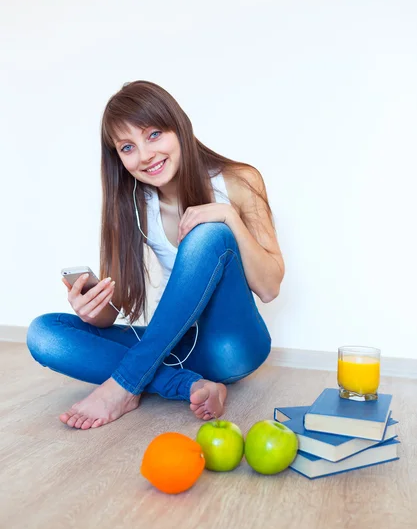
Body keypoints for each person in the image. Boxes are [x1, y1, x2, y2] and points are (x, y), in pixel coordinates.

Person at [27, 80, 285, 430]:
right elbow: (115, 310)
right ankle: (185, 385)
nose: (145, 156)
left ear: (178, 128)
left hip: (233, 346)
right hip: (179, 348)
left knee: (209, 233)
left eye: (153, 135)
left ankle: (124, 386)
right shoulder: (133, 203)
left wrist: (228, 218)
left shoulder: (237, 181)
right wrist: (93, 310)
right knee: (44, 333)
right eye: (128, 147)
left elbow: (269, 288)